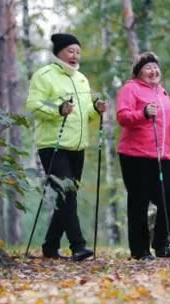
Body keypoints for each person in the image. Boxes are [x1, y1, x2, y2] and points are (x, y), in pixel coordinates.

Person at [25, 33, 107, 261]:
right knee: (67, 193)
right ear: (59, 52)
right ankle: (78, 245)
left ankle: (50, 247)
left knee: (66, 197)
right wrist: (57, 110)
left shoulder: (81, 79)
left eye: (78, 52)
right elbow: (33, 105)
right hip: (53, 144)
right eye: (71, 51)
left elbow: (84, 115)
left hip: (77, 146)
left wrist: (96, 109)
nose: (75, 55)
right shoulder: (44, 75)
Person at [115, 52, 170, 260]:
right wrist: (143, 114)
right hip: (135, 156)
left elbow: (163, 125)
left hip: (160, 155)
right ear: (138, 72)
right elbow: (123, 117)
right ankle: (140, 250)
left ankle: (162, 244)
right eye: (148, 68)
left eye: (156, 67)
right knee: (139, 201)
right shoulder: (130, 89)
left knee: (169, 195)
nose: (153, 71)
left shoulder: (162, 92)